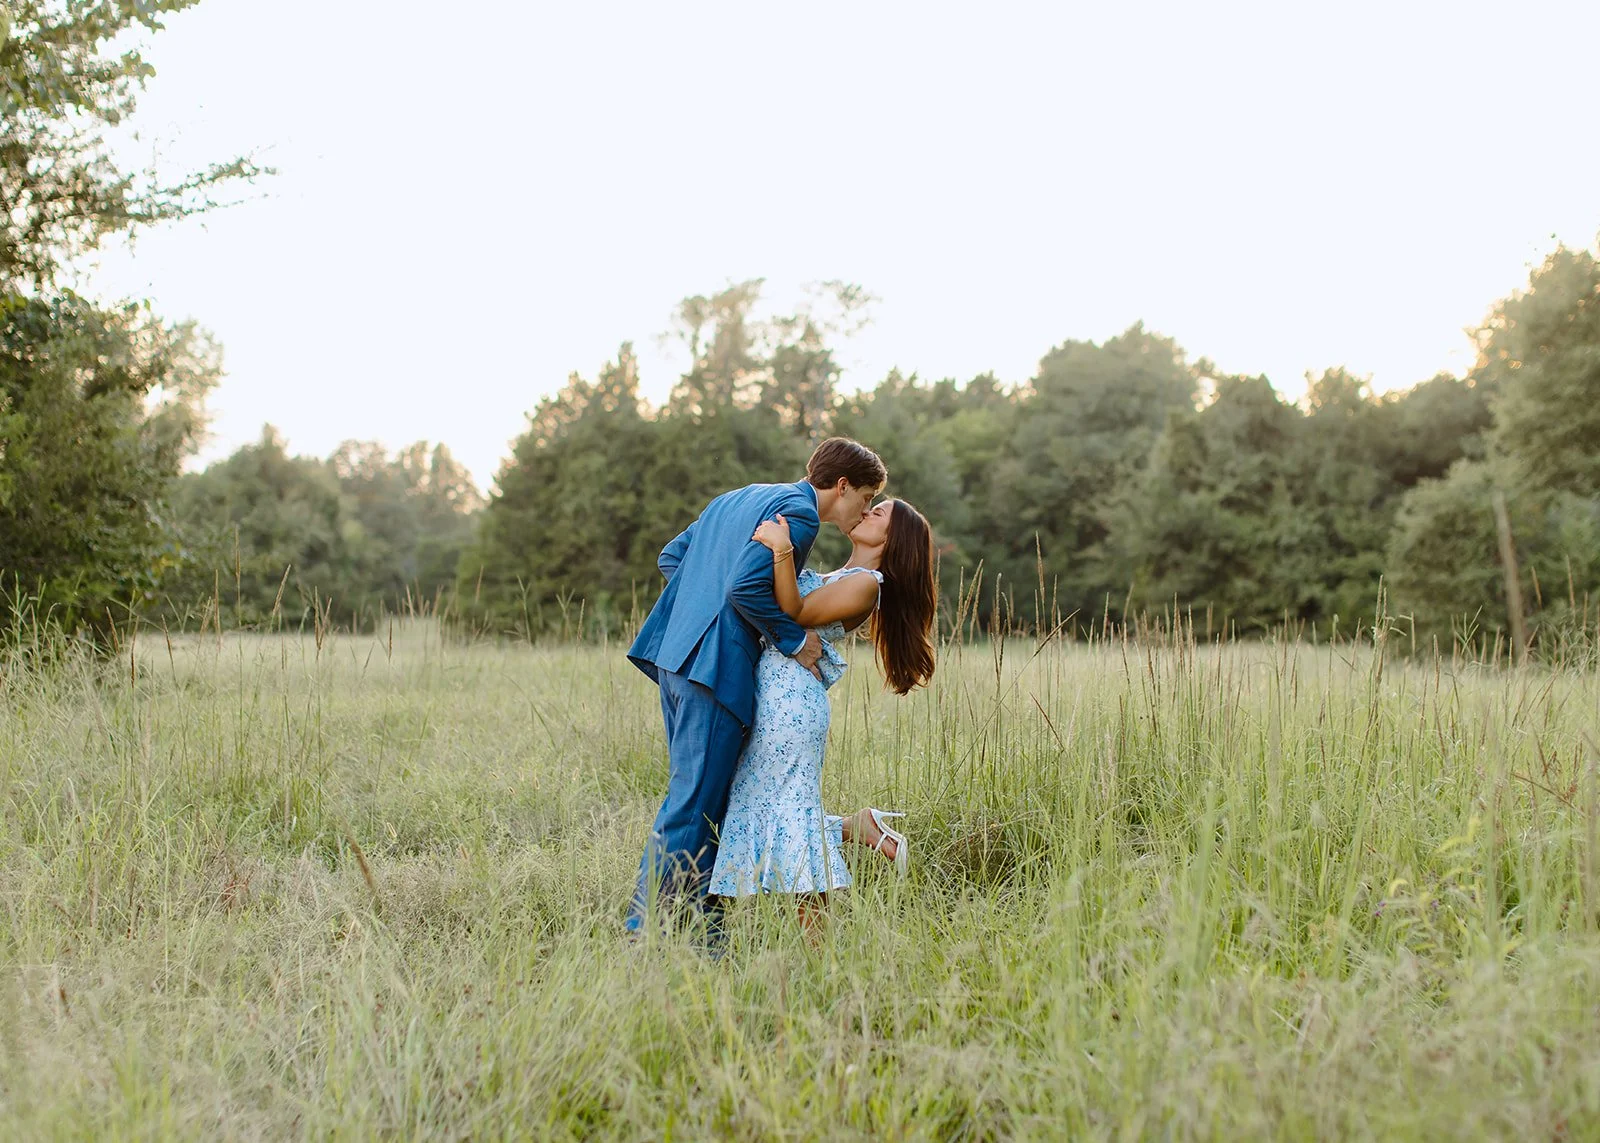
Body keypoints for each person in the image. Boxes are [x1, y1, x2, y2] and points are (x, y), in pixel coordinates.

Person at [624, 438, 886, 938]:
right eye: (866, 497)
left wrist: (698, 613)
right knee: (694, 804)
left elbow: (672, 556)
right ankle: (644, 933)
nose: (865, 509)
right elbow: (743, 588)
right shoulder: (800, 515)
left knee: (705, 801)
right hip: (715, 667)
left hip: (676, 660)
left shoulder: (739, 497)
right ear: (843, 485)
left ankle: (703, 935)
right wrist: (791, 640)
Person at [707, 498, 938, 934]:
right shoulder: (841, 575)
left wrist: (782, 551)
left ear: (891, 538)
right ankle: (857, 827)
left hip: (790, 704)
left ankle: (819, 960)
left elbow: (795, 613)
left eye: (879, 513)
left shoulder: (867, 584)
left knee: (789, 815)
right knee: (761, 807)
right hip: (772, 691)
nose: (868, 511)